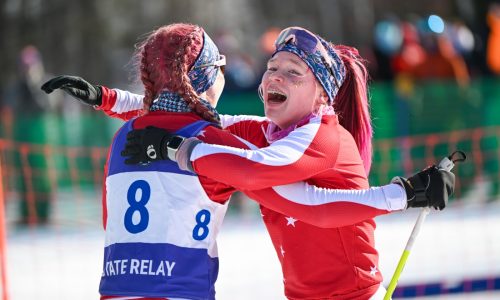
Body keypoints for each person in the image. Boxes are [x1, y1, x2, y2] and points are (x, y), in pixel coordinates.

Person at [42, 24, 454, 299]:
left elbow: (311, 206)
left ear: (322, 95)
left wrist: (404, 194)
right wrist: (107, 98)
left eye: (293, 72)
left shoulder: (324, 136)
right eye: (272, 67)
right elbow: (196, 113)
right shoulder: (264, 131)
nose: (274, 76)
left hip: (350, 294)